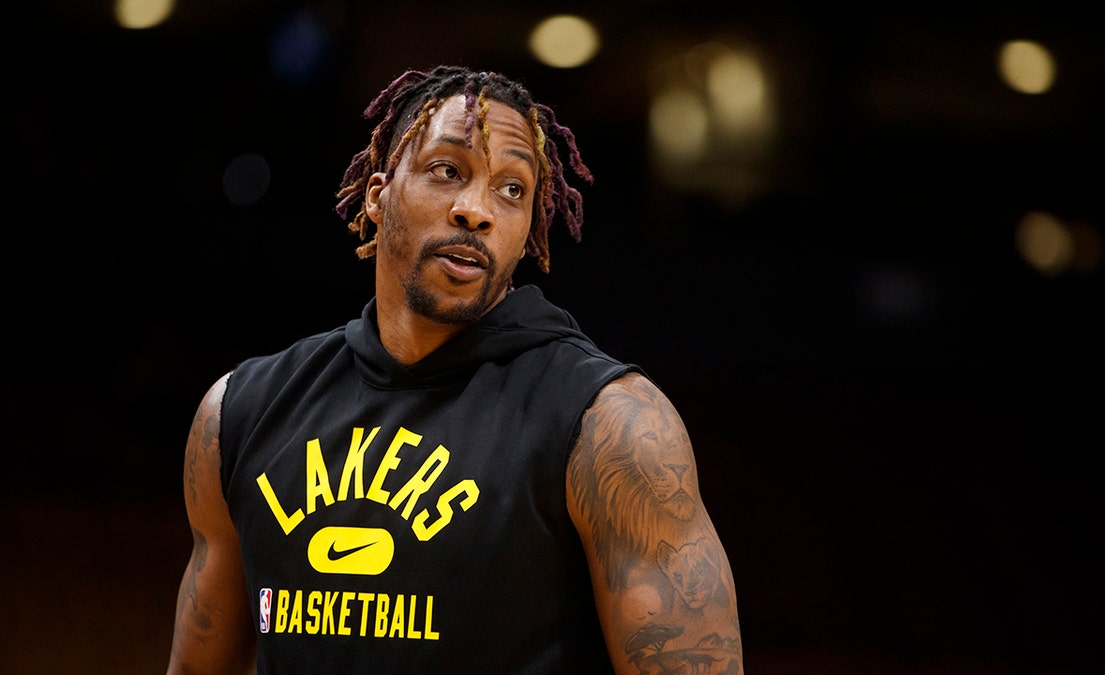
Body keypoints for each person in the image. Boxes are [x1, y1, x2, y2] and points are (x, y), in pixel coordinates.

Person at [167, 65, 743, 674]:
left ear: (526, 233)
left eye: (513, 189)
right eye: (448, 171)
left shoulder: (609, 427)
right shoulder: (242, 411)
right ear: (378, 194)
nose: (477, 211)